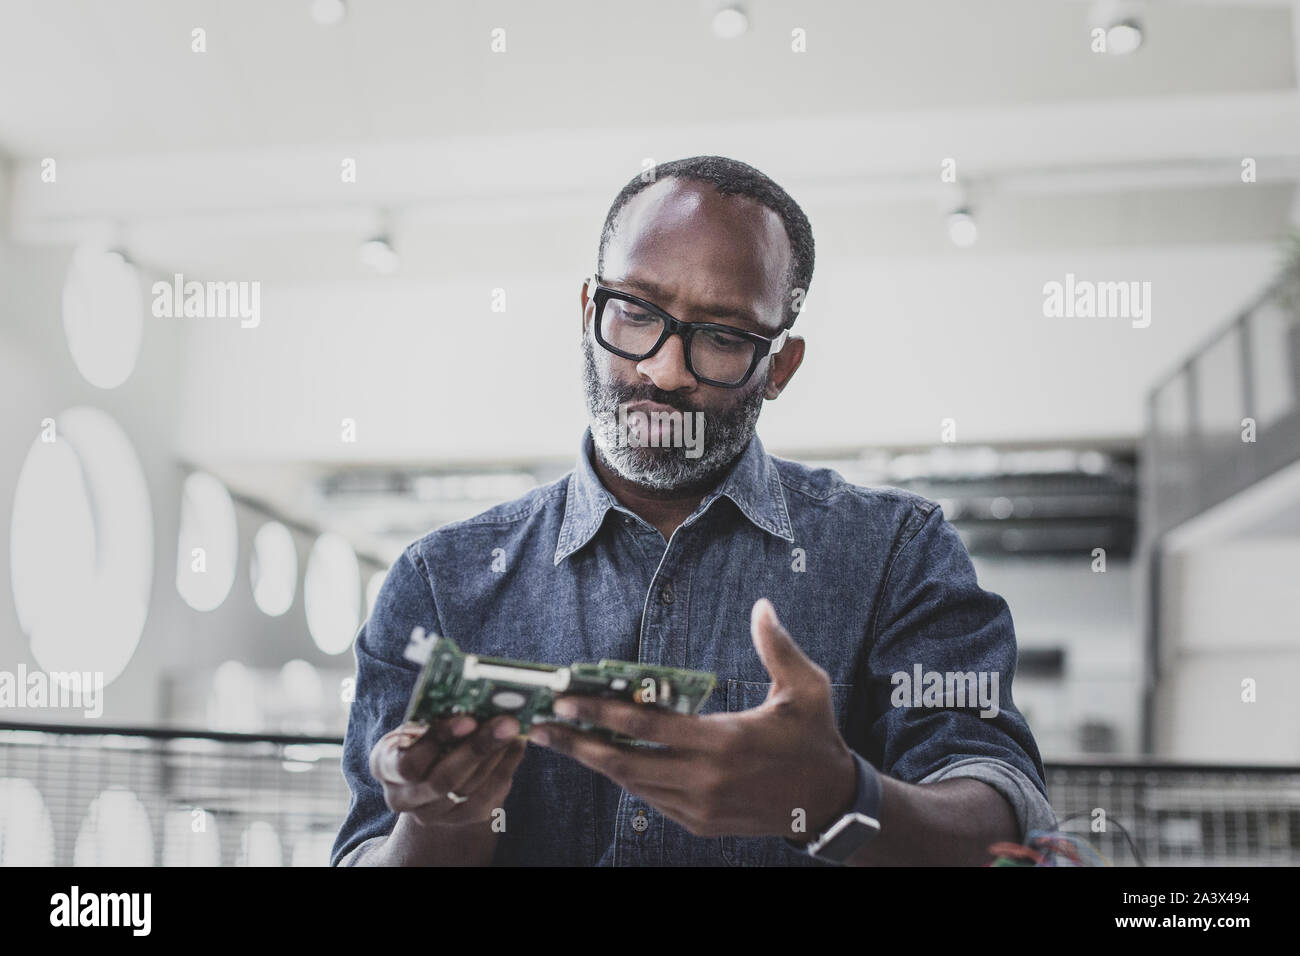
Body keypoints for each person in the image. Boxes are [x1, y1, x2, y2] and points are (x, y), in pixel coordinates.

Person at [331, 155, 1055, 866]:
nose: (664, 370)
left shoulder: (896, 553)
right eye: (637, 313)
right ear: (590, 310)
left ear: (779, 367)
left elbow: (1004, 833)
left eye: (722, 336)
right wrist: (441, 821)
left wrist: (839, 798)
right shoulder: (440, 583)